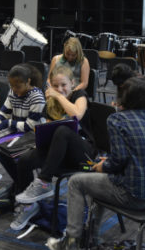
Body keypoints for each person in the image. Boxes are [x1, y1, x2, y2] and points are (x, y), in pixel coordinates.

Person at [47, 77, 145, 250]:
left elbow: (118, 161)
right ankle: (91, 238)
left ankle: (71, 242)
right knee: (98, 184)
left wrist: (103, 166)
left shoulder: (117, 119)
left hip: (132, 195)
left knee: (76, 182)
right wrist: (109, 163)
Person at [10, 65, 94, 230]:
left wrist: (57, 95)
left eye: (64, 85)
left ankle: (44, 181)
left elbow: (76, 115)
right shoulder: (52, 102)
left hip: (83, 155)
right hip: (59, 153)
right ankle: (29, 207)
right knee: (24, 160)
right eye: (55, 86)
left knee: (63, 130)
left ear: (73, 83)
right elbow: (48, 128)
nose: (60, 89)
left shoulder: (79, 95)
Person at [0, 63, 46, 186]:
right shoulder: (13, 92)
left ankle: (23, 184)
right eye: (12, 86)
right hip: (16, 131)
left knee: (5, 152)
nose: (14, 90)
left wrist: (6, 123)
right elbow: (4, 113)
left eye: (18, 86)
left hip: (32, 136)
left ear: (28, 82)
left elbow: (30, 126)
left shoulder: (37, 97)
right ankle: (16, 180)